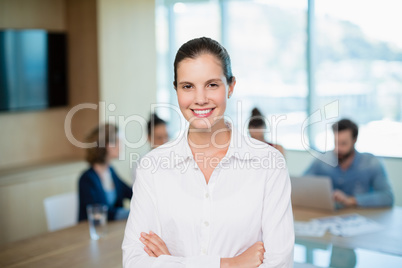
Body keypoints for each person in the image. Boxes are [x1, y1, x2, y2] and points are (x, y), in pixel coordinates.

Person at [122, 37, 294, 267]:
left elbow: (279, 263)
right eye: (188, 86)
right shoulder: (152, 167)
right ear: (176, 90)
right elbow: (134, 262)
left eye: (212, 85)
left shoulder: (269, 164)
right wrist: (230, 264)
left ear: (231, 87)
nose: (200, 99)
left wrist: (171, 262)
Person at [304, 118, 394, 208]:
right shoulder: (323, 160)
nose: (338, 149)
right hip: (328, 215)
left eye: (343, 144)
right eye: (336, 143)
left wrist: (351, 200)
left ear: (354, 140)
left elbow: (387, 197)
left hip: (361, 215)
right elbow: (301, 185)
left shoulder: (371, 163)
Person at [78, 124, 132, 221]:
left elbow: (130, 193)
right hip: (90, 232)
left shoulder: (110, 171)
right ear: (108, 146)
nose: (121, 146)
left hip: (112, 229)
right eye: (119, 142)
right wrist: (130, 213)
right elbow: (99, 212)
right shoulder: (86, 179)